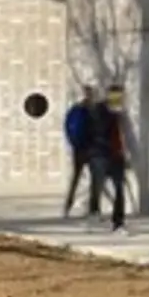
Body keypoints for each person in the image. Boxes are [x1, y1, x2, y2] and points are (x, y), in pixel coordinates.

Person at [90, 82, 136, 233]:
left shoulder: (120, 113)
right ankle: (94, 212)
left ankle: (118, 222)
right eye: (117, 96)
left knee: (119, 189)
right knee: (97, 186)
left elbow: (124, 135)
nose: (120, 99)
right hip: (101, 155)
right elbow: (99, 131)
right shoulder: (100, 110)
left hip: (117, 156)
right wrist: (113, 115)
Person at [61, 86, 100, 219]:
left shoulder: (76, 110)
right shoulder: (88, 110)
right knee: (90, 179)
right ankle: (89, 209)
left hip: (82, 148)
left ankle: (70, 207)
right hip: (86, 148)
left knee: (79, 179)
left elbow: (67, 127)